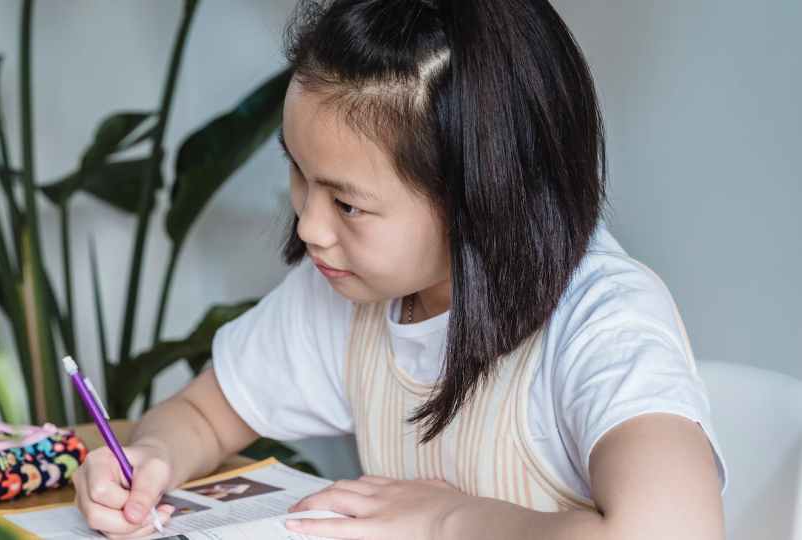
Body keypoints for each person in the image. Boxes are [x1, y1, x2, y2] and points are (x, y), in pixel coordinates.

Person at [73, 1, 727, 538]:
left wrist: (446, 518)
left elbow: (673, 531)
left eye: (348, 204)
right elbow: (206, 416)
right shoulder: (355, 289)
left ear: (478, 197)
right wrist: (152, 455)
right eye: (298, 174)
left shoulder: (604, 322)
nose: (308, 227)